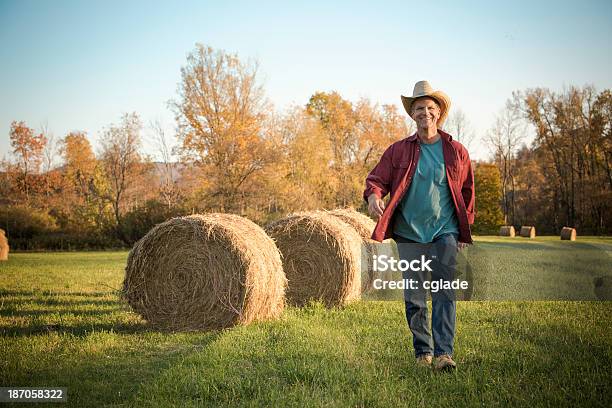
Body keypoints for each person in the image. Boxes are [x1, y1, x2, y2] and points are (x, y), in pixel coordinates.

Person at [363, 80, 475, 371]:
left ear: (438, 113)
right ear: (413, 115)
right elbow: (376, 180)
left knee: (443, 291)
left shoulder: (456, 151)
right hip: (409, 234)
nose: (425, 112)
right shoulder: (398, 151)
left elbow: (467, 192)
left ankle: (444, 354)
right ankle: (423, 352)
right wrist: (374, 196)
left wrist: (464, 229)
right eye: (419, 108)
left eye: (429, 107)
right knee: (415, 296)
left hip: (445, 231)